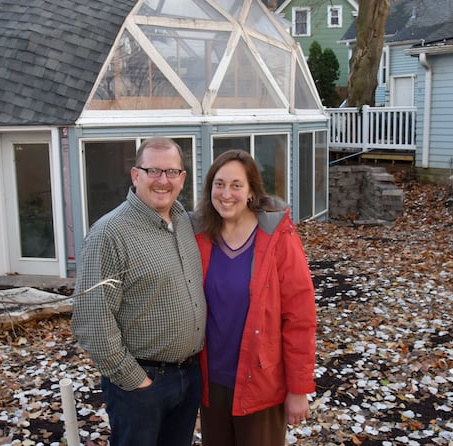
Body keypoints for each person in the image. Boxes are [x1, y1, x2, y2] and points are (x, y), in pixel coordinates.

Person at [71, 137, 206, 446]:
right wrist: (136, 381)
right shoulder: (109, 233)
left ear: (182, 178)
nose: (163, 180)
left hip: (189, 377)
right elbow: (92, 320)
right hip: (142, 384)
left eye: (172, 172)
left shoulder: (185, 223)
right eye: (153, 171)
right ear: (136, 175)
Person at [193, 149, 317, 445]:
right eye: (219, 184)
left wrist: (298, 389)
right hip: (211, 383)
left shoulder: (277, 239)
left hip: (261, 383)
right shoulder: (199, 236)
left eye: (236, 185)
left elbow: (300, 317)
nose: (226, 194)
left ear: (250, 192)